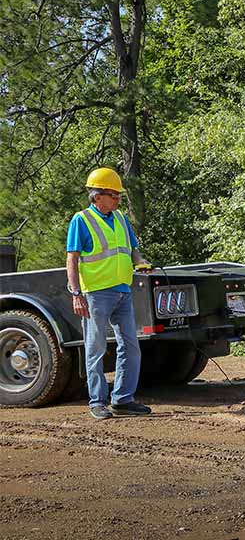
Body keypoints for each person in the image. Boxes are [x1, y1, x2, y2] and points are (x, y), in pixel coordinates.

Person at [65, 168, 154, 420]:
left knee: (131, 346)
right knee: (96, 348)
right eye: (113, 195)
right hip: (96, 294)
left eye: (117, 195)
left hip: (122, 291)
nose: (118, 199)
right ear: (97, 196)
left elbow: (133, 250)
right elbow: (72, 259)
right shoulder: (81, 220)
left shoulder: (121, 219)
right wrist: (76, 293)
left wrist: (141, 261)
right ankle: (97, 401)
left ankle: (123, 400)